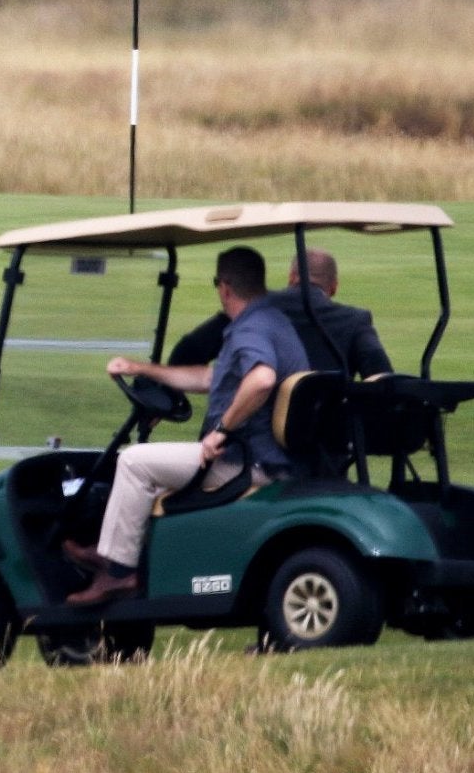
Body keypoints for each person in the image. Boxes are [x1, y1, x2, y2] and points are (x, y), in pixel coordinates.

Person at [65, 245, 309, 606]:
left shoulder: (249, 328)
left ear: (224, 287)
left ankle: (119, 572)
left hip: (243, 462)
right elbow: (210, 377)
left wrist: (221, 430)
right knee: (143, 462)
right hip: (265, 456)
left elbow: (261, 379)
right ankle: (114, 552)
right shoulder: (272, 320)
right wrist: (141, 369)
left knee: (133, 462)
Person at [167, 246, 392, 377]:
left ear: (292, 277)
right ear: (334, 287)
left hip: (249, 441)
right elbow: (380, 377)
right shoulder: (355, 320)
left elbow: (190, 349)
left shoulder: (251, 306)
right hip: (324, 448)